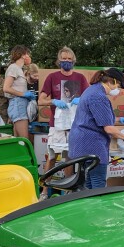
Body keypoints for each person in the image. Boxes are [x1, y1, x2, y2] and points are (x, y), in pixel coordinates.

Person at [68, 69, 124, 189]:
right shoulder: (99, 97)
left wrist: (121, 120)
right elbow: (109, 128)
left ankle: (89, 201)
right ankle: (96, 202)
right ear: (112, 81)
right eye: (118, 86)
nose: (118, 90)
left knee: (89, 183)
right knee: (98, 184)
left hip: (81, 144)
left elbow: (99, 118)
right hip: (92, 145)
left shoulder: (91, 90)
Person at [39, 47, 90, 178]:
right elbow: (41, 100)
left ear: (73, 60)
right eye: (64, 59)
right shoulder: (52, 77)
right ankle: (44, 187)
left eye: (69, 59)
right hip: (56, 125)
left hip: (75, 124)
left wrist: (81, 99)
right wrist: (53, 101)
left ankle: (68, 186)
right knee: (52, 156)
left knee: (69, 158)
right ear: (59, 60)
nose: (66, 61)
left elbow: (90, 98)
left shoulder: (80, 78)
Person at [2, 45, 36, 139]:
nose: (29, 57)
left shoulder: (19, 69)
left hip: (20, 103)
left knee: (19, 139)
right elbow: (6, 88)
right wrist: (24, 94)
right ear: (23, 55)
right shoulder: (14, 68)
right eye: (28, 54)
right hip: (18, 103)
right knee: (24, 139)